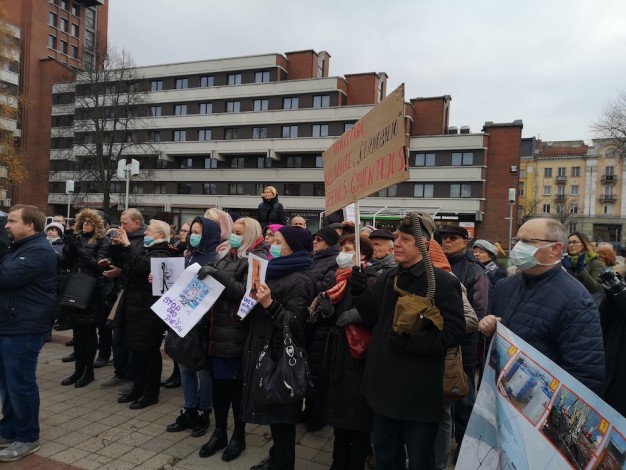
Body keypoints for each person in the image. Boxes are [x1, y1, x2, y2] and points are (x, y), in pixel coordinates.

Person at [350, 211, 465, 470]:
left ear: (423, 245)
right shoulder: (388, 277)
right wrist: (360, 292)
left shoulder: (443, 283)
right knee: (386, 455)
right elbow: (374, 318)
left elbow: (455, 331)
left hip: (417, 391)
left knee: (420, 457)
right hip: (383, 386)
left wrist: (414, 342)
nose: (397, 244)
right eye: (396, 238)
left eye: (405, 239)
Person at [478, 218, 605, 394]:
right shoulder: (504, 286)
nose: (517, 248)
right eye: (517, 241)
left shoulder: (576, 300)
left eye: (527, 242)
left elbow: (585, 373)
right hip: (498, 393)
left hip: (538, 403)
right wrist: (489, 329)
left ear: (555, 249)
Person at [243, 226, 316, 470]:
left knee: (283, 418)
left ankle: (283, 463)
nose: (272, 244)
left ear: (293, 247)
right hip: (267, 348)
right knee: (275, 415)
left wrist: (269, 303)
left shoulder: (300, 279)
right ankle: (276, 457)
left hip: (282, 357)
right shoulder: (275, 270)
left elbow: (295, 324)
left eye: (278, 241)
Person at [196, 217, 267, 462]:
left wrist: (216, 275)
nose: (234, 236)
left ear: (251, 235)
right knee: (219, 386)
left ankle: (239, 434)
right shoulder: (226, 254)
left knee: (236, 389)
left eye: (239, 233)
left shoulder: (257, 259)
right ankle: (219, 432)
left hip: (237, 332)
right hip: (216, 332)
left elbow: (247, 294)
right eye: (233, 231)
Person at [0, 205, 57, 462]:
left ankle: (27, 436)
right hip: (11, 324)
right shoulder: (19, 248)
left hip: (24, 328)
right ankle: (9, 428)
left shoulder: (39, 250)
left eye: (12, 221)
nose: (6, 225)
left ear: (30, 225)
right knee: (8, 383)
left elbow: (4, 277)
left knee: (21, 383)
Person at [315, 235, 376, 470]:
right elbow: (332, 322)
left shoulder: (369, 279)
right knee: (339, 418)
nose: (342, 253)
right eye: (341, 248)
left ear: (363, 255)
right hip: (338, 357)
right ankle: (337, 461)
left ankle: (354, 462)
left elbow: (378, 317)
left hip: (358, 360)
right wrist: (327, 312)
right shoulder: (339, 280)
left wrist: (362, 315)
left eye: (348, 249)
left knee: (358, 420)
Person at [164, 217, 220, 437]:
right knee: (184, 366)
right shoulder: (188, 256)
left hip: (203, 324)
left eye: (198, 232)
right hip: (183, 319)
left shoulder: (217, 258)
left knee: (203, 371)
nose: (193, 236)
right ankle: (189, 408)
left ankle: (204, 410)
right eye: (192, 232)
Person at [115, 219, 179, 409]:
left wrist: (127, 245)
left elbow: (141, 265)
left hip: (149, 311)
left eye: (149, 231)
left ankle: (151, 393)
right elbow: (129, 264)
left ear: (160, 235)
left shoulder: (163, 252)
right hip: (137, 307)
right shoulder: (147, 249)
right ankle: (138, 388)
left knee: (149, 352)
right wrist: (119, 246)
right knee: (138, 352)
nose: (145, 233)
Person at [439, 225, 490, 457]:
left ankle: (465, 446)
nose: (447, 241)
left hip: (463, 345)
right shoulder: (439, 262)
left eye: (453, 238)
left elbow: (479, 311)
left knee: (463, 399)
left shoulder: (473, 269)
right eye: (444, 237)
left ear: (465, 242)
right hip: (442, 343)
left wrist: (450, 330)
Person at [59, 209, 111, 389]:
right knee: (77, 332)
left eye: (89, 222)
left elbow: (97, 265)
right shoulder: (77, 238)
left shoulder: (103, 241)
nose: (85, 224)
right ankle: (78, 370)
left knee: (88, 333)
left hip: (91, 290)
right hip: (74, 286)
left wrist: (78, 249)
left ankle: (88, 372)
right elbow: (65, 264)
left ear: (97, 224)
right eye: (83, 221)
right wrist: (68, 248)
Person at [100, 208, 145, 390]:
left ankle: (132, 377)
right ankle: (120, 372)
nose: (121, 226)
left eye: (125, 223)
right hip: (121, 292)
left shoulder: (145, 239)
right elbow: (121, 262)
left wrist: (125, 246)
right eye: (120, 222)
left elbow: (140, 266)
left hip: (137, 295)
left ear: (137, 223)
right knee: (117, 334)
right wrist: (113, 249)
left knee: (132, 338)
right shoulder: (122, 237)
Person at [306, 225, 341, 431]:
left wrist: (305, 281)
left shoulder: (335, 261)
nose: (315, 242)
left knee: (318, 369)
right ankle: (308, 409)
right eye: (314, 238)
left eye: (319, 239)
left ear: (329, 242)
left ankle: (318, 415)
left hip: (322, 322)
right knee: (309, 366)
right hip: (310, 320)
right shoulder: (314, 258)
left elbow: (327, 287)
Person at [562, 231, 603, 297]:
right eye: (569, 242)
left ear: (584, 244)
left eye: (575, 242)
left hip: (585, 300)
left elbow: (594, 288)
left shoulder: (594, 262)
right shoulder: (563, 260)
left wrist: (581, 270)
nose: (571, 245)